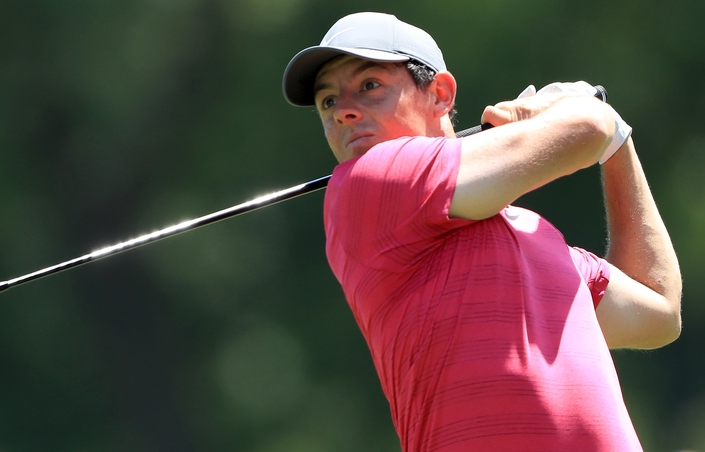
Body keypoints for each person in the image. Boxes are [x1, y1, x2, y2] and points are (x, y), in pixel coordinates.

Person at [282, 12, 682, 452]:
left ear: (439, 93)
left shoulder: (536, 234)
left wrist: (618, 144)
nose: (343, 111)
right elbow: (587, 128)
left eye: (369, 86)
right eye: (327, 102)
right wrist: (583, 112)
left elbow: (658, 311)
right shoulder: (364, 184)